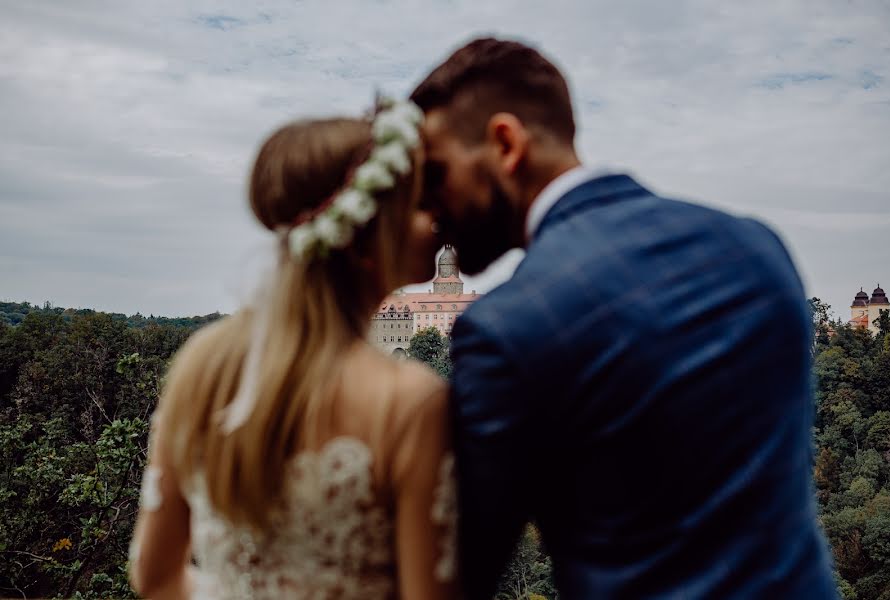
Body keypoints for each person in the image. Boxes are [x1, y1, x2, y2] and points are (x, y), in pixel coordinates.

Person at [411, 37, 839, 599]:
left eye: (437, 174)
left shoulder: (509, 326)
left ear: (505, 143)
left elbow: (461, 577)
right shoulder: (757, 249)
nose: (430, 204)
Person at [128, 104, 459, 599]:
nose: (434, 221)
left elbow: (153, 578)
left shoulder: (202, 363)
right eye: (415, 206)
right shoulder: (410, 400)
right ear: (366, 232)